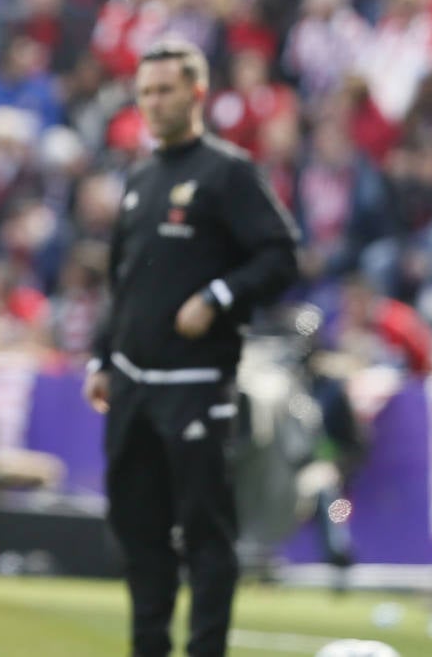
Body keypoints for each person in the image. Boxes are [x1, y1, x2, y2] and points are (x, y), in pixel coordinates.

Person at [84, 38, 299, 657]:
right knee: (137, 530)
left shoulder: (228, 172)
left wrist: (219, 296)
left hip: (196, 384)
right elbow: (122, 281)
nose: (153, 103)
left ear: (197, 92)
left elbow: (281, 255)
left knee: (206, 534)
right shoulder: (141, 177)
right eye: (145, 92)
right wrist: (103, 357)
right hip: (131, 384)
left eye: (165, 90)